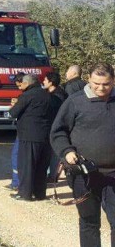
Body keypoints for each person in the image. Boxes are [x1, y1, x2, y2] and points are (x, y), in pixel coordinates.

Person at [51, 63, 115, 247]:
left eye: (106, 84)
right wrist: (67, 151)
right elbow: (58, 132)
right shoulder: (75, 102)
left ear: (113, 81)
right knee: (89, 222)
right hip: (84, 174)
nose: (101, 88)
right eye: (96, 83)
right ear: (88, 79)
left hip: (113, 174)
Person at [9, 73, 53, 201]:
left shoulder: (27, 95)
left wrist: (13, 105)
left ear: (27, 83)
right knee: (41, 166)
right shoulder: (48, 95)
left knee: (26, 165)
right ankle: (40, 193)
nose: (20, 86)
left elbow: (13, 113)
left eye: (22, 83)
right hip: (45, 135)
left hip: (29, 135)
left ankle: (24, 193)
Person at [43, 71, 68, 183]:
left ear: (51, 82)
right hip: (49, 127)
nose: (43, 82)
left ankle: (52, 176)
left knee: (54, 153)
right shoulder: (49, 93)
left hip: (55, 127)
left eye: (45, 80)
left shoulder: (58, 96)